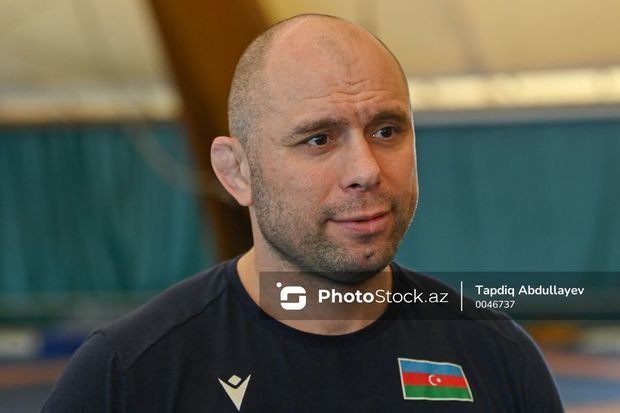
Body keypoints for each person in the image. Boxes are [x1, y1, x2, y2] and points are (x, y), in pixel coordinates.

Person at [42, 14, 564, 412]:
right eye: (318, 139)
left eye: (386, 131)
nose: (365, 170)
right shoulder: (128, 377)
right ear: (236, 172)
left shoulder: (498, 358)